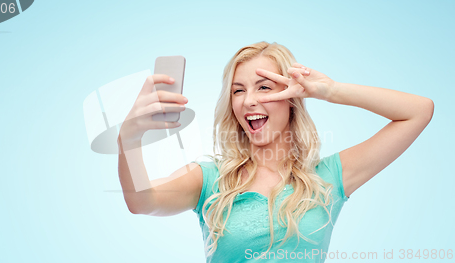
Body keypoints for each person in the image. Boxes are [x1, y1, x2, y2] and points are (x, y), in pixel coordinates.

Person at [117, 42, 434, 262]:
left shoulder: (328, 179)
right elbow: (142, 200)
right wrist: (128, 137)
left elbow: (418, 111)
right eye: (238, 90)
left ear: (292, 97)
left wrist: (331, 91)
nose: (248, 100)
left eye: (264, 87)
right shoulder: (210, 179)